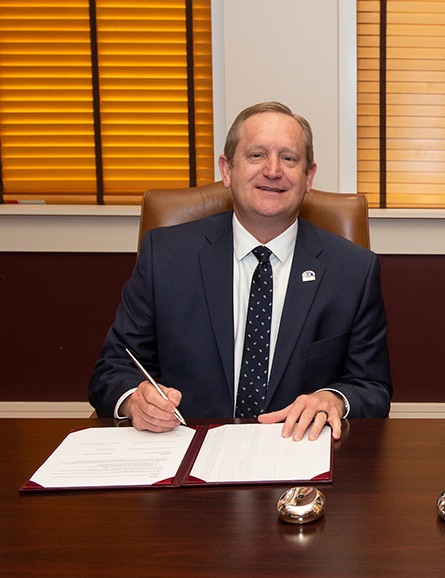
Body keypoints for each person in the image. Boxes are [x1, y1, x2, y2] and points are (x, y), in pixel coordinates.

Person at [89, 101, 391, 441]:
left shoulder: (353, 269)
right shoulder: (165, 256)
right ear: (227, 169)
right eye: (257, 155)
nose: (273, 170)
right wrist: (135, 401)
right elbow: (113, 369)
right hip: (186, 453)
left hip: (297, 456)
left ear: (308, 177)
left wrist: (334, 398)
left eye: (289, 158)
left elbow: (373, 388)